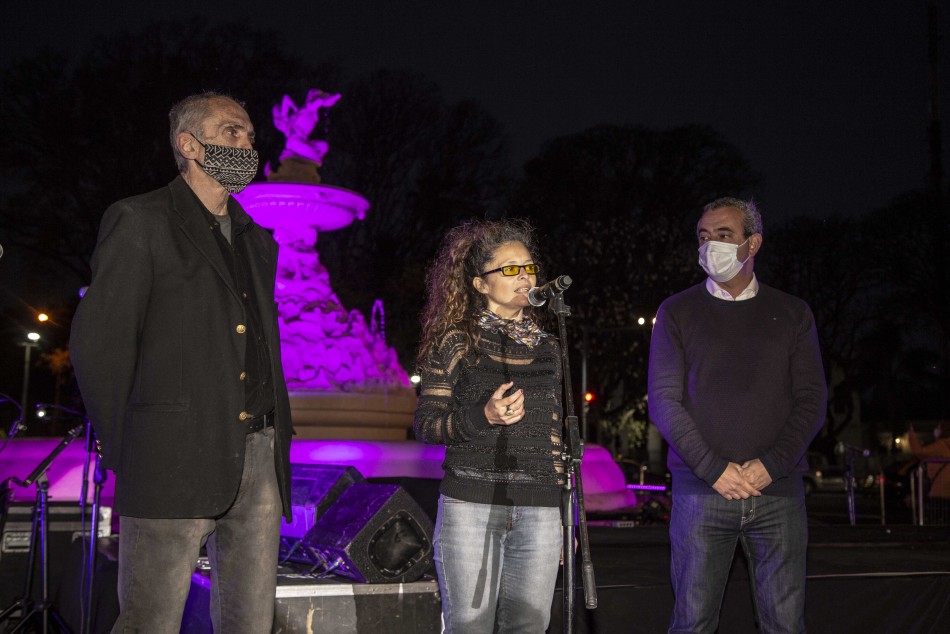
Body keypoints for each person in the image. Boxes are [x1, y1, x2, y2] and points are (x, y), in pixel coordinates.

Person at [70, 92, 293, 633]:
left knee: (250, 623)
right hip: (169, 460)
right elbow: (99, 346)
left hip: (259, 456)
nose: (247, 145)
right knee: (150, 620)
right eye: (232, 132)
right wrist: (131, 449)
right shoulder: (140, 219)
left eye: (250, 135)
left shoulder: (257, 240)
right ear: (188, 145)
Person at [648, 197, 827, 633]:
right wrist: (713, 470)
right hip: (700, 495)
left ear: (753, 243)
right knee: (691, 623)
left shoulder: (793, 313)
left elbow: (812, 400)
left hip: (778, 494)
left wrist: (771, 465)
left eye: (723, 235)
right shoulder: (676, 311)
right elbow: (663, 401)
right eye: (703, 236)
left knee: (785, 625)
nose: (710, 245)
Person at [413, 219, 565, 633]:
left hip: (540, 509)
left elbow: (555, 433)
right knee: (470, 625)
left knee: (529, 626)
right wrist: (485, 416)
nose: (525, 276)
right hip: (472, 504)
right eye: (510, 269)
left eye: (529, 268)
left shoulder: (549, 347)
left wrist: (563, 514)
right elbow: (426, 425)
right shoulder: (455, 341)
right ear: (481, 284)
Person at [908, 422, 950, 521]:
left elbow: (919, 451)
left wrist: (912, 435)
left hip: (940, 491)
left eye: (938, 428)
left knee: (937, 520)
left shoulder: (942, 445)